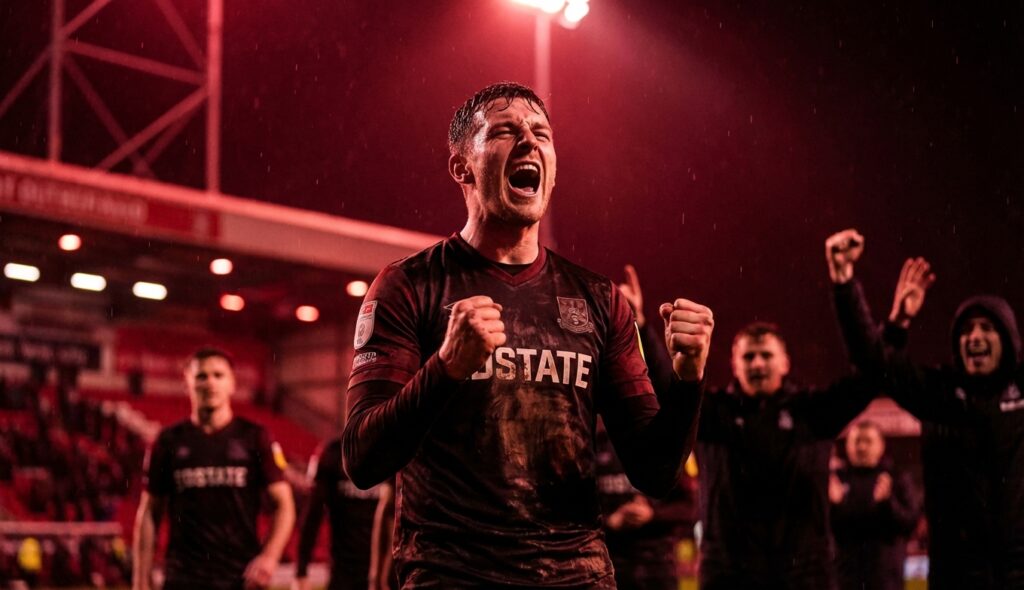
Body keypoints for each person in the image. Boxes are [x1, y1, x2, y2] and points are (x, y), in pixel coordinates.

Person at [340, 82, 713, 588]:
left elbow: (655, 472)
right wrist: (446, 368)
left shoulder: (600, 300)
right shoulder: (409, 286)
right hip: (453, 575)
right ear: (462, 167)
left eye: (541, 133)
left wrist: (688, 381)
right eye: (505, 131)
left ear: (553, 168)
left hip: (576, 575)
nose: (529, 142)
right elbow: (363, 459)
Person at [827, 228, 1024, 589]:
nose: (975, 337)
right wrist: (877, 308)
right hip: (957, 575)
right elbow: (873, 364)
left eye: (986, 329)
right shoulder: (940, 395)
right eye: (966, 331)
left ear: (1009, 341)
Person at [132, 348, 295, 590]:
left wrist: (270, 556)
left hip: (241, 579)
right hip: (182, 578)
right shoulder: (168, 441)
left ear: (232, 384)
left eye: (218, 375)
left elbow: (284, 505)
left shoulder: (255, 437)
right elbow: (149, 513)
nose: (210, 383)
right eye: (201, 376)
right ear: (187, 384)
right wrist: (140, 579)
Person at [830, 420, 921, 590]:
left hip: (886, 581)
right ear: (848, 445)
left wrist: (887, 503)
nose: (862, 447)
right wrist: (834, 507)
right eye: (857, 441)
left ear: (881, 445)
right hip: (845, 580)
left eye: (868, 441)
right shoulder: (837, 480)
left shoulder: (897, 478)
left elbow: (910, 523)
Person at [294, 437, 383, 590]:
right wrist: (301, 570)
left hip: (384, 571)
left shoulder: (391, 452)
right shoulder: (333, 453)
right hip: (344, 572)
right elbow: (313, 515)